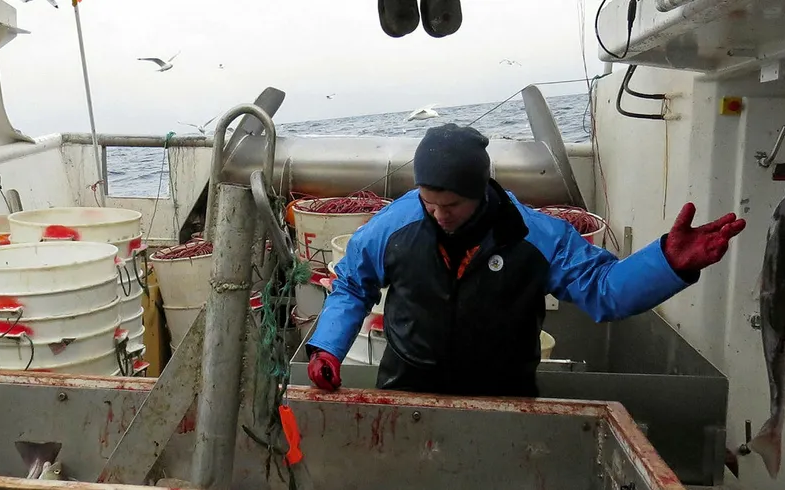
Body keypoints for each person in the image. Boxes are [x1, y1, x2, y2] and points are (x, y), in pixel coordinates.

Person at [304, 123, 746, 397]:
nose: (439, 215)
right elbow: (352, 285)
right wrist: (328, 349)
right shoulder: (392, 226)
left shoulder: (538, 235)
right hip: (408, 386)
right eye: (428, 202)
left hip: (505, 392)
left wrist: (669, 262)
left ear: (480, 191)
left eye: (452, 205)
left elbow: (605, 290)